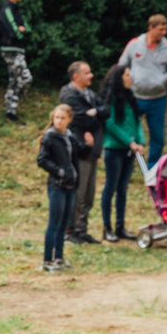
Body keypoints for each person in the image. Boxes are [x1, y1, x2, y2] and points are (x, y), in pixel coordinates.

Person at [119, 14, 167, 169]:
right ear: (150, 28)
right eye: (161, 29)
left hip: (157, 99)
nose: (164, 33)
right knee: (130, 132)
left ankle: (153, 167)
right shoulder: (134, 44)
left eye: (165, 29)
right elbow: (122, 65)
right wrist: (127, 81)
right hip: (135, 97)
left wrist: (164, 79)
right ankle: (128, 165)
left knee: (157, 136)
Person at [98, 62, 147, 243]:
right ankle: (107, 227)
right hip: (114, 150)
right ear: (119, 78)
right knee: (110, 187)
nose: (130, 77)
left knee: (123, 189)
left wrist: (140, 142)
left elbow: (138, 121)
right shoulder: (111, 99)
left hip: (130, 151)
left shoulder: (130, 97)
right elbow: (110, 124)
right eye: (127, 75)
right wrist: (130, 142)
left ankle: (120, 226)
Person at [59, 61, 103, 246]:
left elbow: (106, 110)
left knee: (89, 194)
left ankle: (82, 229)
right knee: (78, 192)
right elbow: (82, 119)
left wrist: (96, 113)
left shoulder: (90, 94)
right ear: (76, 76)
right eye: (87, 72)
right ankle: (70, 230)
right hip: (79, 150)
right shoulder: (68, 94)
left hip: (93, 149)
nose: (91, 75)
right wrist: (94, 116)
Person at [37, 102, 78, 272]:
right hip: (57, 185)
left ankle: (59, 257)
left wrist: (89, 146)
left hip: (70, 185)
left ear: (69, 119)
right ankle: (47, 260)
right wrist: (59, 172)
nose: (59, 121)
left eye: (62, 118)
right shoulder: (49, 137)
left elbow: (78, 155)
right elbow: (42, 160)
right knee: (54, 222)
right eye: (56, 118)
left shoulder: (69, 136)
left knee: (63, 223)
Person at [0, 0, 31, 122]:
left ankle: (10, 112)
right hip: (10, 48)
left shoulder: (17, 9)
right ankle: (11, 106)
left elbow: (27, 28)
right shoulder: (6, 9)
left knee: (14, 80)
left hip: (18, 48)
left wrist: (24, 30)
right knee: (25, 78)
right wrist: (21, 32)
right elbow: (14, 30)